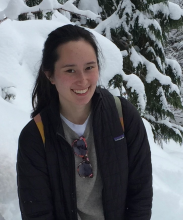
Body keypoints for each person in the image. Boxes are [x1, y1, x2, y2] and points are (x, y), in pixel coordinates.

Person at [17, 24, 153, 220]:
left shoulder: (122, 116)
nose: (83, 80)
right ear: (50, 75)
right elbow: (37, 212)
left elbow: (140, 193)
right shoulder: (36, 137)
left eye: (89, 67)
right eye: (70, 70)